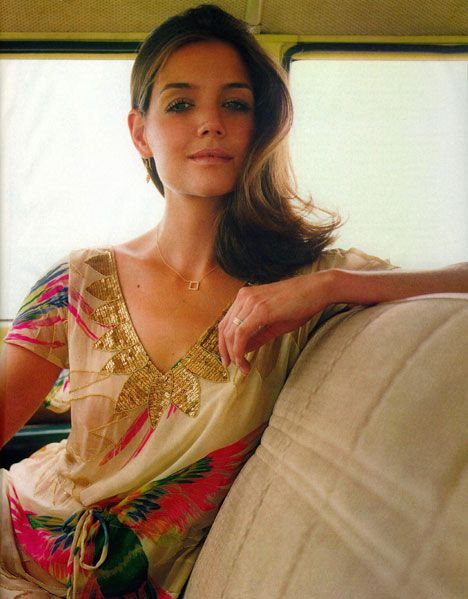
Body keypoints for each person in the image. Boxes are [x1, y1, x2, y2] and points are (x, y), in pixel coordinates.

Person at [0, 4, 467, 598]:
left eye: (236, 104)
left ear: (258, 126)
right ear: (140, 132)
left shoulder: (306, 282)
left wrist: (329, 286)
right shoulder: (78, 282)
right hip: (19, 537)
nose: (211, 123)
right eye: (180, 104)